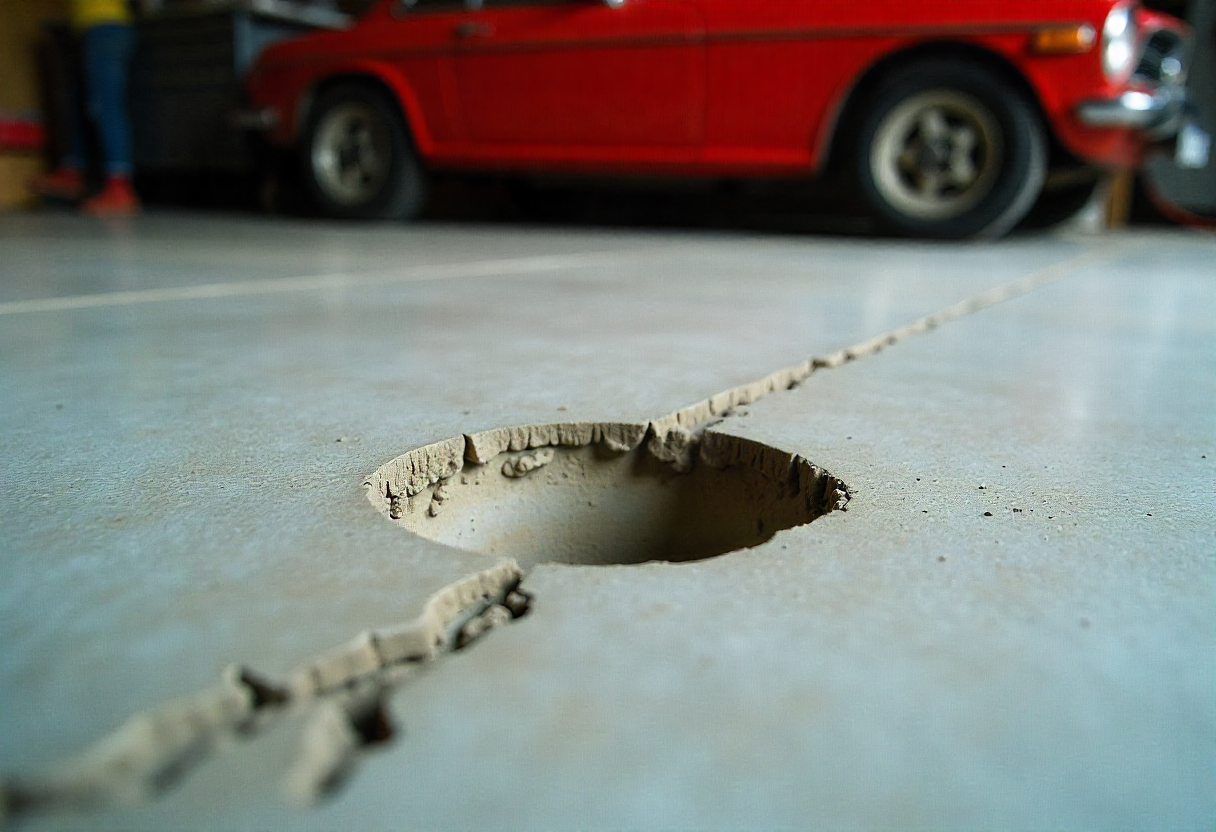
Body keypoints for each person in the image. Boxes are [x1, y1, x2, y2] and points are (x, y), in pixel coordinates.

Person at [30, 0, 139, 217]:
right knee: (80, 104)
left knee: (104, 106)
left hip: (107, 26)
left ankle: (120, 187)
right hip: (89, 28)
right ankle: (72, 172)